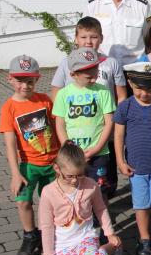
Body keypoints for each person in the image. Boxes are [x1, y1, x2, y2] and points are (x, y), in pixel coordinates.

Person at [50, 16, 126, 197]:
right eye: (83, 37)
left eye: (93, 37)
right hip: (76, 134)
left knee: (105, 177)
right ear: (76, 39)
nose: (88, 41)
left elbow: (121, 95)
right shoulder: (66, 62)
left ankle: (103, 205)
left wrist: (117, 124)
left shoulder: (111, 63)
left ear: (101, 38)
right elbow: (56, 92)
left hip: (104, 130)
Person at [0, 55, 60, 255]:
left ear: (37, 79)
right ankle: (29, 236)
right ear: (10, 80)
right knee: (23, 202)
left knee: (49, 202)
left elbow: (57, 127)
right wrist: (16, 174)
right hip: (28, 165)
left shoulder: (44, 100)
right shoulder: (9, 108)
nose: (25, 85)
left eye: (30, 81)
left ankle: (47, 235)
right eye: (20, 80)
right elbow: (10, 143)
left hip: (52, 163)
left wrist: (61, 158)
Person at [41, 141, 125, 255]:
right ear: (57, 168)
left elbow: (101, 209)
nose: (75, 180)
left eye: (80, 175)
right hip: (63, 246)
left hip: (86, 238)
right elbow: (46, 227)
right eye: (70, 176)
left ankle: (113, 247)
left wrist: (110, 234)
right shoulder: (48, 192)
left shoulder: (90, 184)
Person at [113, 62, 151, 255]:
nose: (144, 93)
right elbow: (118, 136)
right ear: (131, 83)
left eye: (149, 88)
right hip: (135, 168)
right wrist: (120, 161)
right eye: (140, 88)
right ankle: (144, 238)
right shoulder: (125, 107)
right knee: (140, 205)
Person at [52, 48, 116, 197]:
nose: (94, 79)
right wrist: (67, 146)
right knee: (75, 190)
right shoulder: (63, 94)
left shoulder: (103, 91)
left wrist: (96, 148)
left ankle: (101, 219)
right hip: (73, 155)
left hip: (99, 153)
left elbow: (109, 123)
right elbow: (60, 123)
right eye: (89, 76)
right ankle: (80, 219)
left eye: (96, 73)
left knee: (100, 191)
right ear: (73, 75)